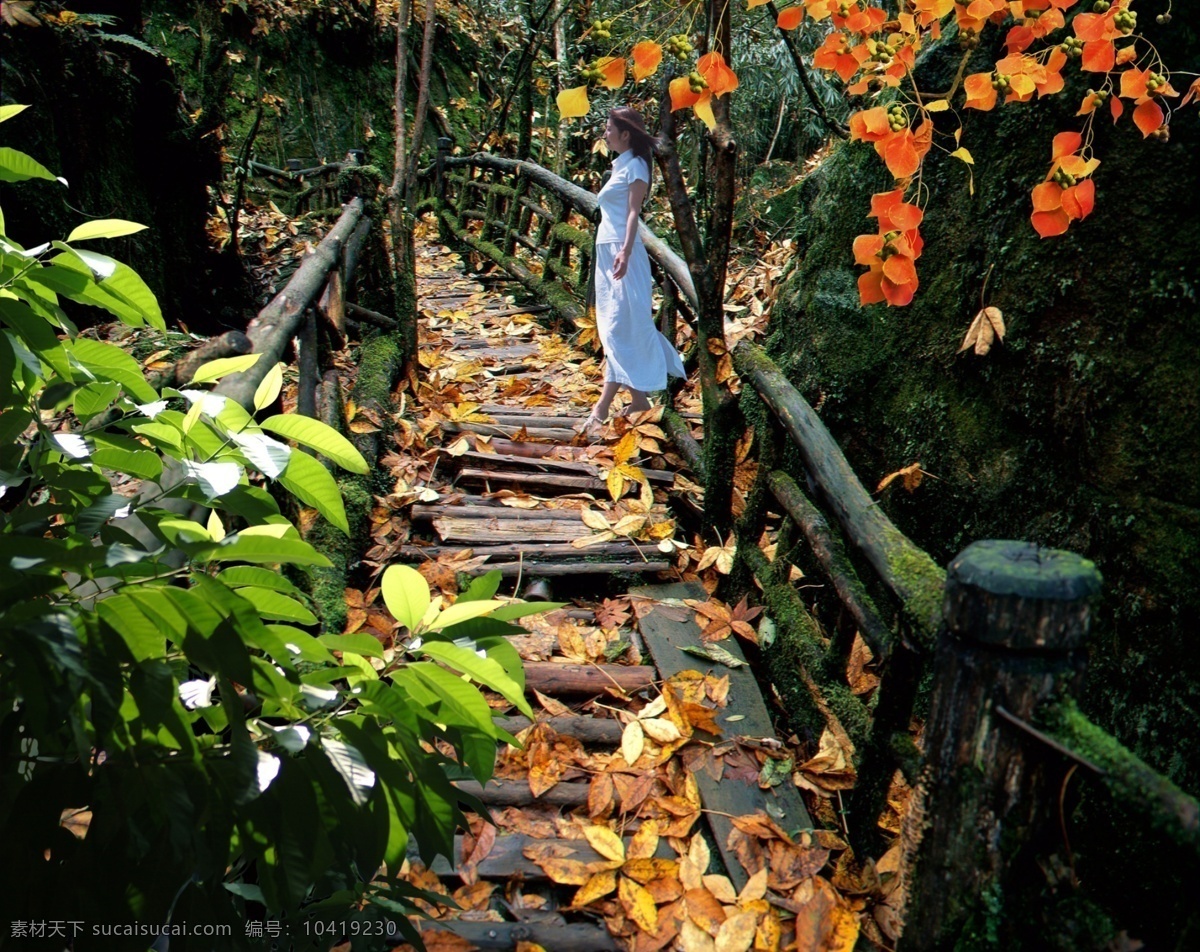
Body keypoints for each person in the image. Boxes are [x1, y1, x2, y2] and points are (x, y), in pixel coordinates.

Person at [579, 106, 686, 437]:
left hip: (621, 253)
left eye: (609, 128)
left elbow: (632, 215)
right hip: (607, 250)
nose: (605, 132)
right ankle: (639, 399)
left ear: (626, 134)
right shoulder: (620, 165)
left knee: (618, 327)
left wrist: (625, 251)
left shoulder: (637, 167)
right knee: (617, 324)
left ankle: (601, 407)